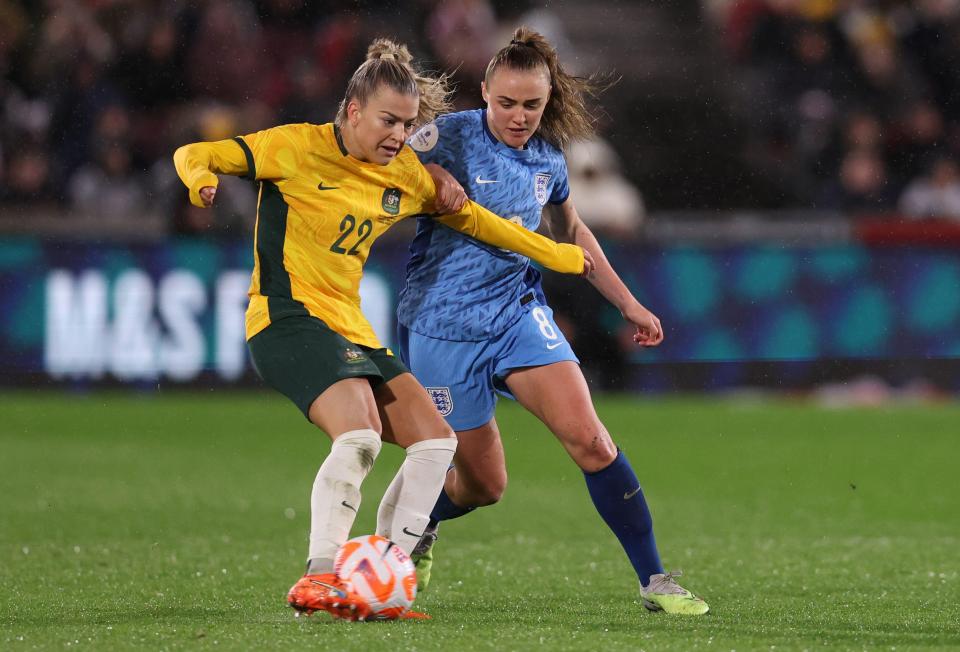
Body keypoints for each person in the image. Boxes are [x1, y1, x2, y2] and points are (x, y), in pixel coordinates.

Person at [173, 38, 591, 621]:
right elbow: (196, 152)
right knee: (361, 437)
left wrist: (554, 252)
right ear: (351, 112)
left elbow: (479, 222)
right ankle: (319, 576)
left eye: (408, 123)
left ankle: (383, 577)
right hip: (286, 319)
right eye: (388, 121)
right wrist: (200, 182)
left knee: (437, 442)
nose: (398, 135)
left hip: (351, 328)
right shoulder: (293, 147)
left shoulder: (405, 174)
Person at [397, 27, 709, 615]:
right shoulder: (444, 138)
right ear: (484, 91)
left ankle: (654, 580)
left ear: (547, 101)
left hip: (518, 316)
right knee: (483, 487)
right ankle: (425, 522)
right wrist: (425, 176)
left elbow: (571, 233)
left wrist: (629, 304)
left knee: (593, 441)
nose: (519, 117)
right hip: (442, 330)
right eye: (507, 102)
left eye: (532, 105)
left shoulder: (547, 158)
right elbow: (374, 169)